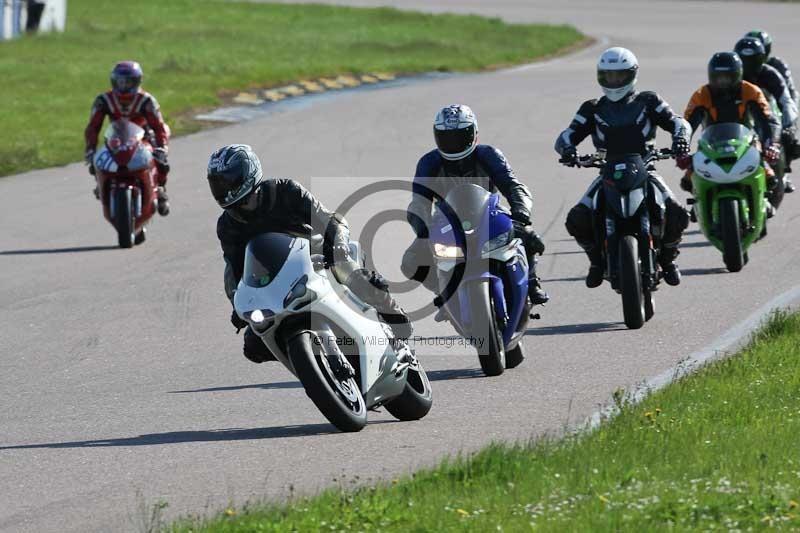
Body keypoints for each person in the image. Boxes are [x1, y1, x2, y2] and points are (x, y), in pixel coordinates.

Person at [207, 144, 413, 363]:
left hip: (316, 257)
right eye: (218, 183)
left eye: (228, 180)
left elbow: (328, 218)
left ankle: (390, 313)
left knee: (345, 269)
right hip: (275, 279)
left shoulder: (286, 190)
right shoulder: (227, 225)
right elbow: (235, 269)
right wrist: (239, 306)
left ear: (248, 173)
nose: (224, 189)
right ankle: (307, 358)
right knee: (253, 345)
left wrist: (337, 245)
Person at [555, 47, 691, 288]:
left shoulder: (650, 101)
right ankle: (596, 262)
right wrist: (568, 150)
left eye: (619, 75)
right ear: (600, 76)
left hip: (646, 169)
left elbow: (678, 122)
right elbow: (566, 135)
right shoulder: (592, 108)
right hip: (607, 171)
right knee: (577, 219)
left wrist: (680, 139)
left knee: (677, 213)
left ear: (632, 75)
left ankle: (668, 261)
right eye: (608, 76)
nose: (614, 81)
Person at [401, 104, 549, 314]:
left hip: (490, 213)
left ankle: (532, 282)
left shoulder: (488, 155)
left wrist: (521, 210)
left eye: (460, 136)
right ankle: (444, 292)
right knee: (411, 261)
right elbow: (418, 201)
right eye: (447, 138)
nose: (454, 143)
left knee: (527, 235)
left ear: (474, 134)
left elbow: (513, 185)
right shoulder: (429, 162)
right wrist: (422, 227)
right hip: (446, 223)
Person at [681, 52, 783, 213]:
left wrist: (773, 144)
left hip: (746, 140)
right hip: (711, 142)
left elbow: (768, 119)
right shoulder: (701, 95)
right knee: (687, 180)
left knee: (770, 176)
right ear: (711, 76)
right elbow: (686, 125)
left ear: (738, 75)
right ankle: (699, 202)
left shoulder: (751, 91)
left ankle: (763, 199)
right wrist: (682, 148)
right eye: (719, 77)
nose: (723, 82)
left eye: (727, 77)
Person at [84, 61, 171, 215]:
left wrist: (162, 147)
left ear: (137, 81)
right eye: (120, 82)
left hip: (143, 138)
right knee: (96, 161)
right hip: (115, 138)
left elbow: (158, 126)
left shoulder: (146, 100)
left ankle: (160, 190)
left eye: (128, 82)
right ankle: (102, 184)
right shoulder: (103, 100)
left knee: (161, 160)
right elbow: (93, 127)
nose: (124, 86)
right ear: (114, 81)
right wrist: (90, 149)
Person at [740, 32, 799, 189]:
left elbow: (789, 96)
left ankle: (783, 170)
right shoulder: (732, 74)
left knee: (787, 135)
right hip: (744, 111)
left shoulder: (774, 68)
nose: (748, 66)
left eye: (753, 60)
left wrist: (790, 125)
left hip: (772, 108)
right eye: (744, 61)